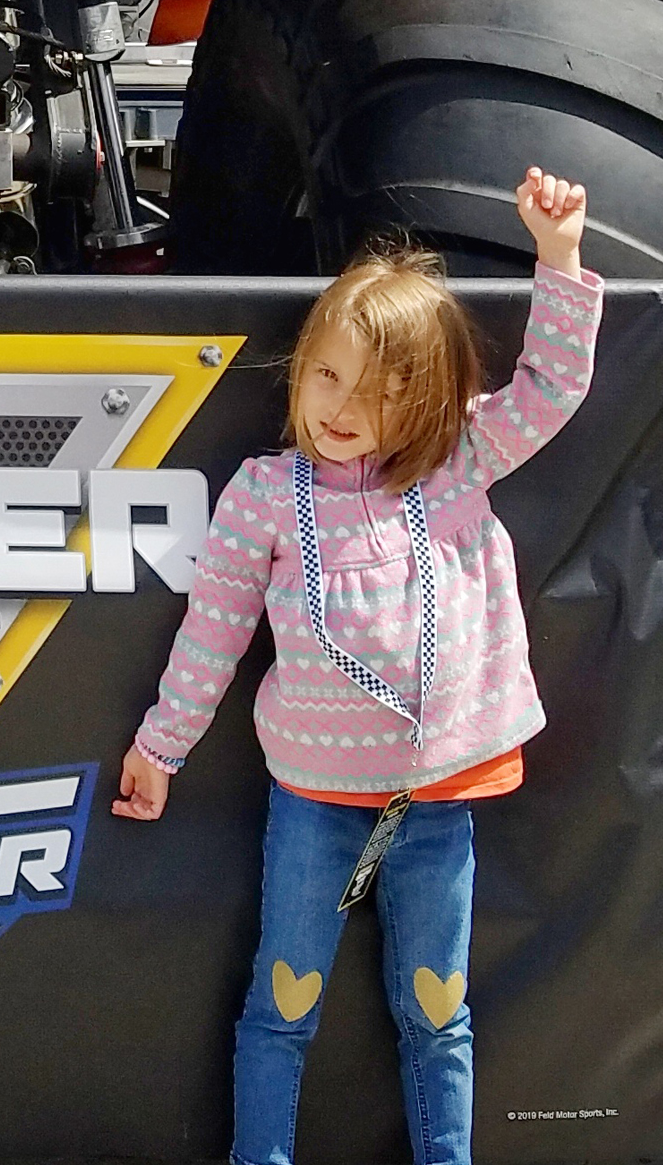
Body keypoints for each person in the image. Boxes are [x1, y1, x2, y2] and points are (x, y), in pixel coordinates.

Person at [115, 167, 599, 1165]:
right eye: (326, 374)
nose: (342, 406)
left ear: (424, 402)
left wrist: (557, 254)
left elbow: (551, 387)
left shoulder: (456, 463)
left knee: (436, 1012)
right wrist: (159, 744)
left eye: (381, 391)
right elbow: (210, 629)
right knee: (280, 1005)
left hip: (433, 804)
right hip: (314, 800)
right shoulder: (262, 492)